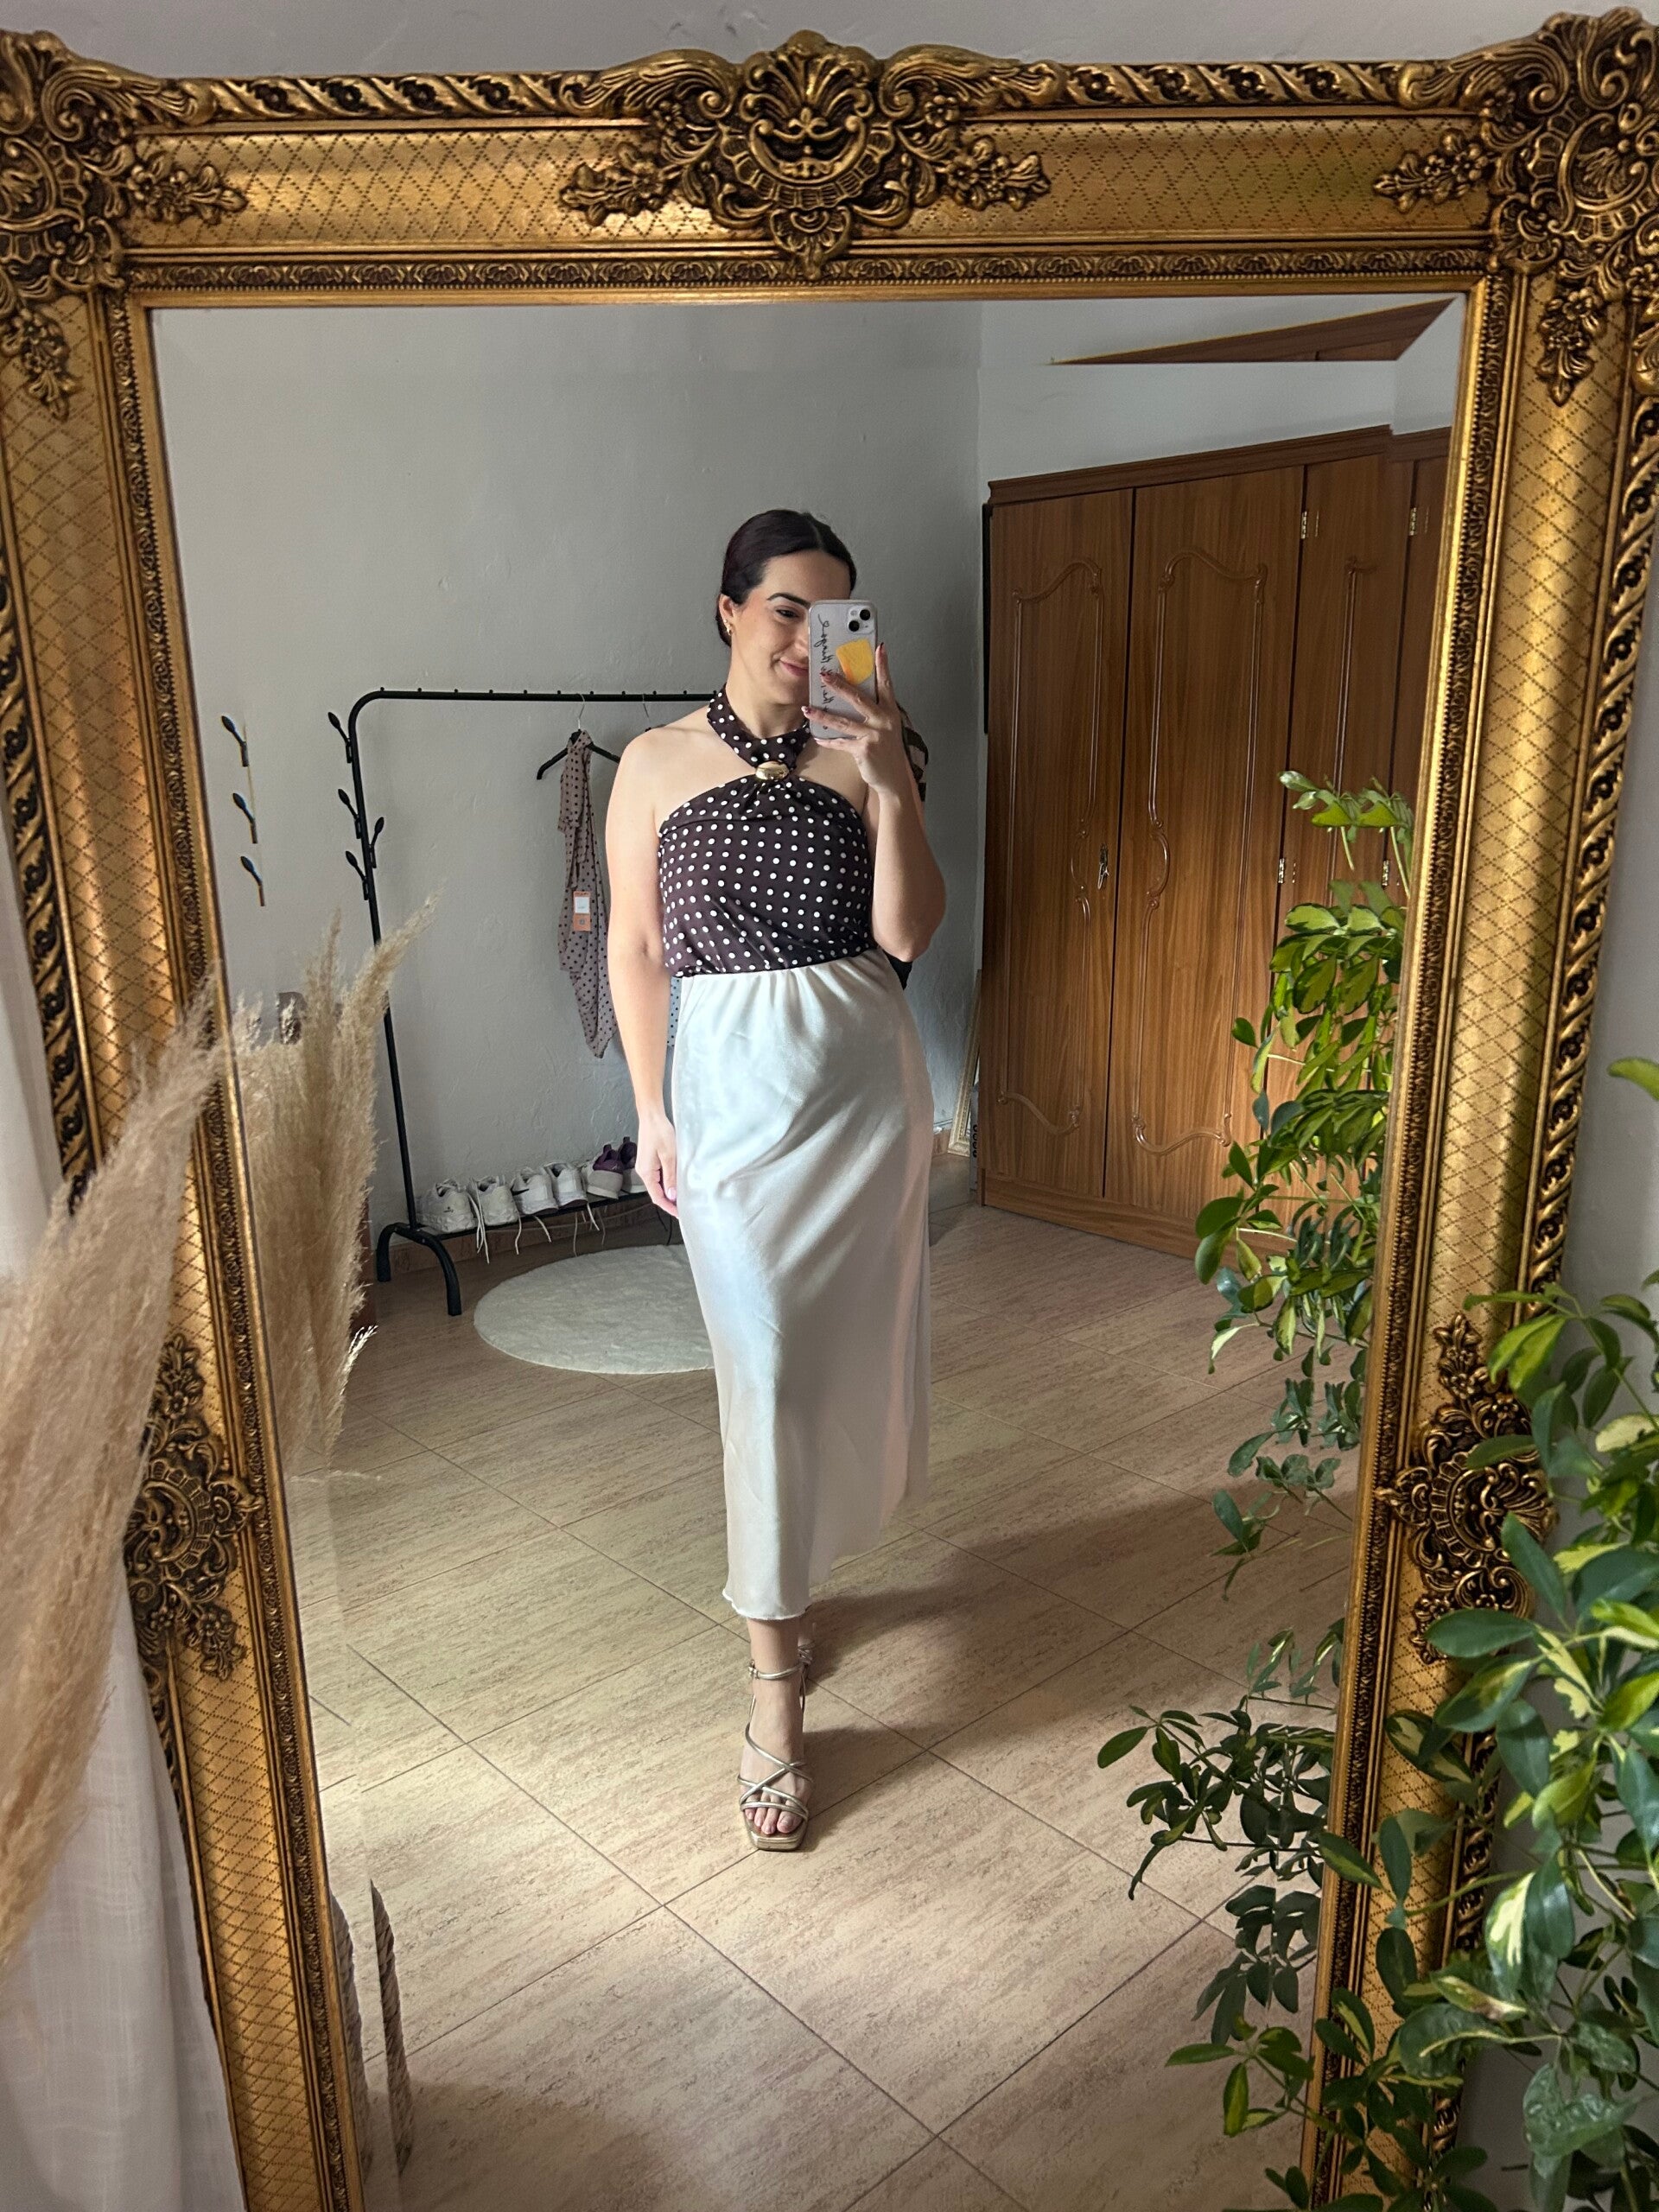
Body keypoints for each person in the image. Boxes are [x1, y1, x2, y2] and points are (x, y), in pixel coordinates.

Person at [606, 509, 946, 1850]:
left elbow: (907, 933)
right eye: (789, 609)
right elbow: (638, 949)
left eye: (838, 614)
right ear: (730, 610)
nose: (812, 637)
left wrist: (893, 773)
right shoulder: (652, 763)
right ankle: (773, 1691)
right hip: (727, 1104)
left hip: (863, 1092)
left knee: (831, 1365)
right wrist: (650, 1109)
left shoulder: (870, 750)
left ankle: (795, 1584)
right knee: (761, 1366)